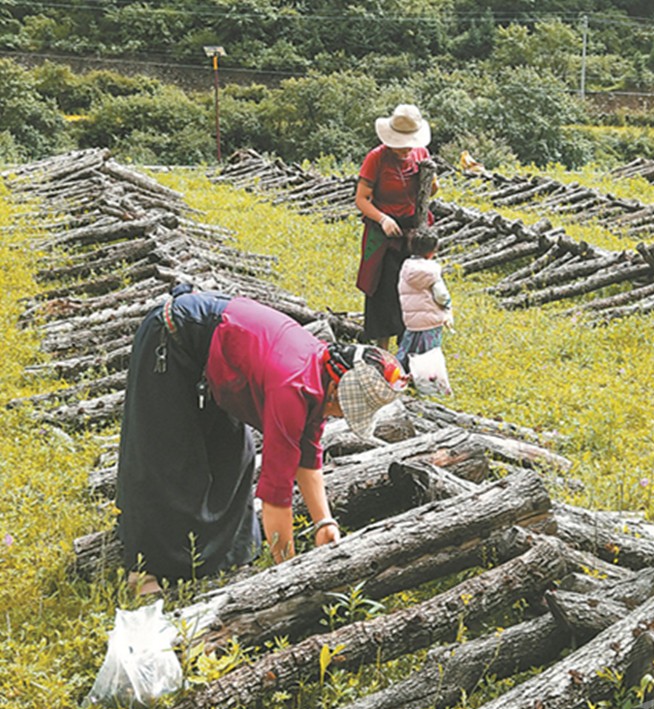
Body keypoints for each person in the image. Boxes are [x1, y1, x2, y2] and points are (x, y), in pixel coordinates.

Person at [116, 285, 407, 594]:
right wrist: (290, 576)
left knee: (235, 458)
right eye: (344, 409)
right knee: (166, 459)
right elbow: (276, 495)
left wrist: (324, 523)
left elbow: (309, 454)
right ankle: (143, 571)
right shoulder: (293, 386)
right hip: (172, 337)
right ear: (337, 389)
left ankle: (224, 558)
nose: (340, 416)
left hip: (220, 362)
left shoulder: (323, 372)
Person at [355, 103, 437, 350]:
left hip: (414, 230)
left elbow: (431, 189)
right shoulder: (376, 158)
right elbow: (361, 199)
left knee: (414, 288)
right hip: (384, 230)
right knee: (384, 289)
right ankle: (382, 349)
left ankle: (409, 347)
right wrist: (383, 219)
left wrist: (430, 181)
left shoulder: (421, 154)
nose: (405, 149)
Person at [395, 227, 453, 376]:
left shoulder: (406, 267)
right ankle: (427, 379)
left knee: (408, 347)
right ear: (433, 251)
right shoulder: (432, 272)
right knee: (429, 354)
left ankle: (399, 374)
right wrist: (447, 305)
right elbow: (441, 295)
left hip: (412, 321)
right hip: (431, 321)